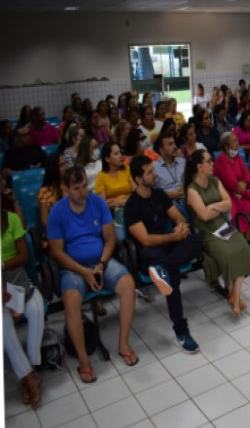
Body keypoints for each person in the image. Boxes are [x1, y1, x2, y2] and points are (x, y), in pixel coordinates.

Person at [48, 166, 137, 383]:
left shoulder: (97, 202)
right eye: (76, 189)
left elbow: (110, 239)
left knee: (128, 285)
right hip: (74, 268)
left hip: (100, 262)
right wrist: (84, 272)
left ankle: (123, 344)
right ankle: (84, 361)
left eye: (84, 187)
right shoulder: (58, 212)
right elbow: (57, 252)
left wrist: (101, 264)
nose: (82, 192)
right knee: (71, 302)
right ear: (66, 189)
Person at [125, 156, 201, 352]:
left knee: (197, 239)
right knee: (170, 271)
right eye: (149, 172)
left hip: (167, 249)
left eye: (153, 170)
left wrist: (181, 227)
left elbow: (177, 216)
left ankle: (164, 270)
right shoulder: (132, 205)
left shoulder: (159, 194)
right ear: (138, 178)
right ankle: (181, 332)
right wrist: (173, 238)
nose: (155, 174)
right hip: (149, 253)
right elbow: (145, 240)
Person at [185, 149, 250, 315]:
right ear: (199, 166)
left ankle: (234, 296)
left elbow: (228, 203)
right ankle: (235, 298)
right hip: (208, 233)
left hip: (224, 225)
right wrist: (217, 206)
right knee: (228, 254)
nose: (212, 164)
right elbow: (204, 216)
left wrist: (212, 206)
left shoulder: (215, 181)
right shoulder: (192, 190)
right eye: (208, 161)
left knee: (243, 248)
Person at [2, 205, 44, 408]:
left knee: (36, 308)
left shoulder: (11, 219)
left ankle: (30, 366)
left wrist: (2, 265)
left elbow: (24, 256)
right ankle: (28, 377)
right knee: (3, 324)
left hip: (14, 277)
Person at [214, 132, 250, 240]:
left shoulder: (237, 157)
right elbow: (232, 184)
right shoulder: (221, 160)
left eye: (237, 140)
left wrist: (243, 182)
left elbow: (247, 173)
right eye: (234, 141)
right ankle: (241, 243)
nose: (237, 144)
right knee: (236, 215)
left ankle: (248, 242)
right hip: (227, 196)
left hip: (241, 193)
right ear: (226, 146)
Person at [38, 153, 68, 247]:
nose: (66, 167)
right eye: (62, 165)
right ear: (54, 168)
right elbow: (45, 223)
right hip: (55, 236)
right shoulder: (44, 192)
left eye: (66, 163)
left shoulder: (72, 185)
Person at [95, 142, 133, 211]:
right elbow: (102, 204)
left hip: (130, 205)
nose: (120, 156)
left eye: (120, 153)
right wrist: (118, 203)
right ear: (107, 159)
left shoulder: (127, 169)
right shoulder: (101, 176)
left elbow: (136, 192)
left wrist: (115, 200)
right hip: (112, 212)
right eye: (116, 154)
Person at [154, 132, 187, 211]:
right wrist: (169, 195)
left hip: (187, 200)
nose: (175, 147)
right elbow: (152, 193)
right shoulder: (154, 167)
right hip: (167, 205)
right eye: (170, 144)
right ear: (161, 150)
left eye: (174, 143)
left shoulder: (183, 162)